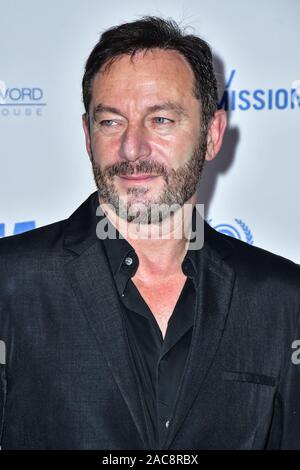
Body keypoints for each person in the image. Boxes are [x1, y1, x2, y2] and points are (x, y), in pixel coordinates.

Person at [0, 16, 300, 451]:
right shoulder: (10, 284)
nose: (132, 149)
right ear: (87, 136)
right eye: (111, 122)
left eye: (160, 120)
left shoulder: (281, 299)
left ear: (212, 134)